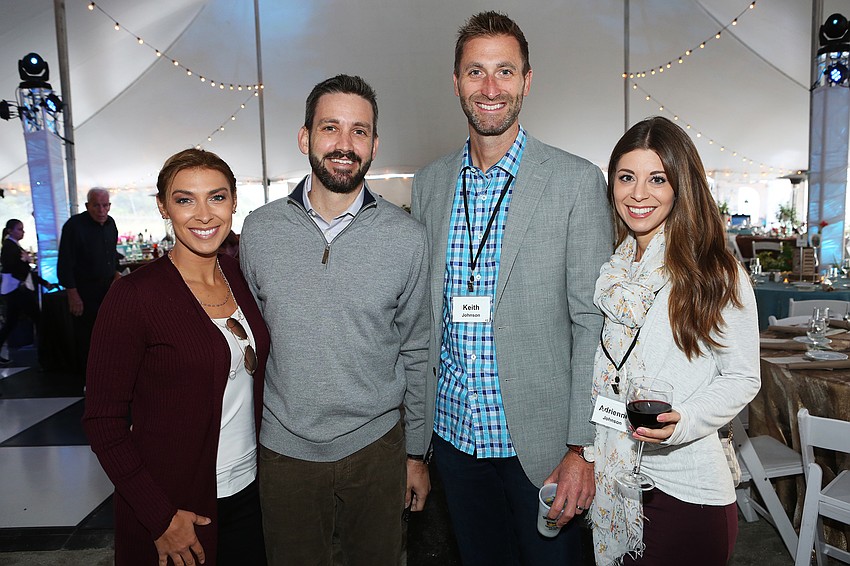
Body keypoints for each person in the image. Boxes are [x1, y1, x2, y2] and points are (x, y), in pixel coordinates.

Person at [410, 11, 613, 565]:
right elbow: (424, 323)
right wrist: (416, 446)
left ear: (527, 79)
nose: (490, 87)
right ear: (456, 83)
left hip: (544, 449)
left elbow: (593, 327)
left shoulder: (575, 182)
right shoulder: (429, 184)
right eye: (476, 72)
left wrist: (582, 449)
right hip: (455, 440)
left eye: (505, 71)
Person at [239, 74, 430, 566]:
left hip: (377, 449)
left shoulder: (406, 238)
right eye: (330, 128)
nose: (345, 145)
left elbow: (418, 349)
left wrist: (415, 454)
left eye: (359, 131)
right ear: (305, 138)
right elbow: (250, 344)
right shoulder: (259, 233)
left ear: (374, 144)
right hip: (285, 451)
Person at [82, 149, 270, 566]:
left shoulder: (240, 276)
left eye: (217, 197)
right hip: (177, 508)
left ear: (234, 202)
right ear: (163, 207)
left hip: (249, 493)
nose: (203, 215)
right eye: (185, 199)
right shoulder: (134, 296)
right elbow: (102, 420)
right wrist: (159, 516)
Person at [589, 116, 760, 565]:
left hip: (687, 491)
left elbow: (742, 376)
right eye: (626, 177)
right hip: (618, 483)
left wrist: (683, 420)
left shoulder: (714, 271)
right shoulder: (615, 270)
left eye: (657, 179)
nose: (638, 194)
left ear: (681, 186)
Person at [57, 188, 121, 373]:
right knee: (87, 336)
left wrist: (116, 272)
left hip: (108, 288)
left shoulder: (111, 224)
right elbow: (65, 263)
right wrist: (73, 294)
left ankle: (109, 373)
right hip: (84, 290)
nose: (101, 210)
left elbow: (112, 254)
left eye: (105, 205)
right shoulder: (74, 225)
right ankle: (89, 379)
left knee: (110, 332)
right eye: (96, 205)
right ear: (87, 206)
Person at [0, 219, 58, 366]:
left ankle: (45, 355)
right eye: (19, 229)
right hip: (18, 290)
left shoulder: (13, 246)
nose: (22, 232)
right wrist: (25, 263)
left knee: (11, 322)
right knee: (38, 319)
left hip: (16, 289)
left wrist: (42, 281)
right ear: (10, 230)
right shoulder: (9, 247)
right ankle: (45, 356)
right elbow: (13, 269)